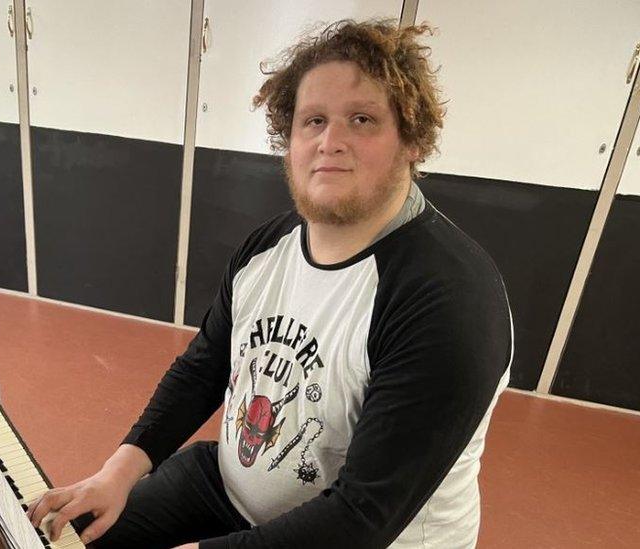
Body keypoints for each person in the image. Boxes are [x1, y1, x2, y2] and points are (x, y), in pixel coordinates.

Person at [28, 19, 512, 548]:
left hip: (364, 538)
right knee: (67, 538)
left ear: (411, 140)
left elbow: (361, 518)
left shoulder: (448, 300)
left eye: (362, 119)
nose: (331, 141)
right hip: (232, 491)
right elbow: (203, 369)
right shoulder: (268, 248)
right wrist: (116, 474)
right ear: (290, 138)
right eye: (314, 120)